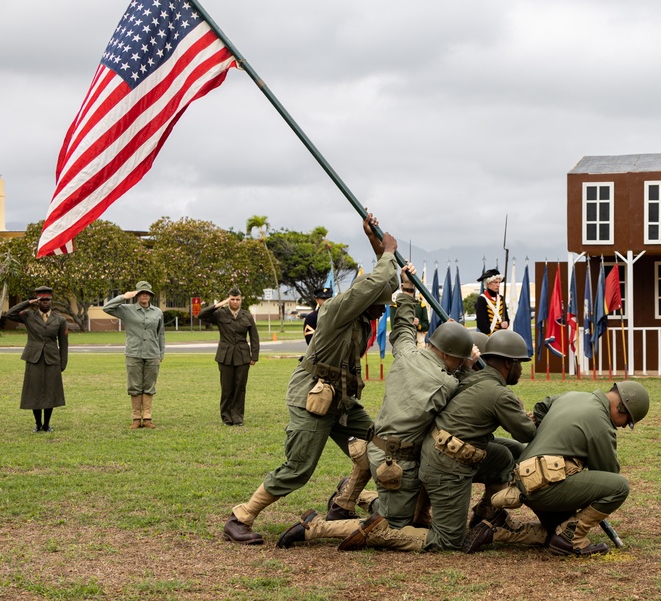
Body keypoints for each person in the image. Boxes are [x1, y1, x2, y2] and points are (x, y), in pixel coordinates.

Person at [223, 213, 399, 545]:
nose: (382, 310)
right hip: (312, 397)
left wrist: (376, 245)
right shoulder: (338, 310)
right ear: (365, 301)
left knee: (378, 443)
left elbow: (381, 284)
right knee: (299, 467)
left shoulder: (361, 319)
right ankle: (240, 517)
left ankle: (343, 503)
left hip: (342, 400)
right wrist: (388, 253)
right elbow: (374, 284)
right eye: (379, 306)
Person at [276, 294, 478, 548]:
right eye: (458, 360)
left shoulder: (406, 353)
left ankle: (357, 496)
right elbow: (468, 394)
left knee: (409, 515)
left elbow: (403, 328)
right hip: (397, 462)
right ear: (449, 357)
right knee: (393, 525)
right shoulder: (447, 382)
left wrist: (405, 297)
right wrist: (469, 367)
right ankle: (315, 527)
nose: (459, 364)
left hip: (379, 449)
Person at [337, 329, 536, 552]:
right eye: (519, 363)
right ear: (509, 364)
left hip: (430, 454)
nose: (521, 369)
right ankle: (324, 528)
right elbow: (526, 432)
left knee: (504, 455)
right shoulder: (472, 386)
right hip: (433, 462)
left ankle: (486, 513)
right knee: (440, 537)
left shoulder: (464, 380)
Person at [465, 380, 650, 556]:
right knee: (619, 487)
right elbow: (608, 476)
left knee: (555, 531)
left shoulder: (570, 396)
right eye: (628, 420)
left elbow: (541, 408)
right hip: (547, 487)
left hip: (525, 479)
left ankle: (499, 529)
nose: (624, 426)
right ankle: (572, 538)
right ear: (621, 407)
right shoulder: (602, 425)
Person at [2, 286, 68, 433]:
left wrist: (63, 363)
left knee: (51, 390)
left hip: (52, 358)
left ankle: (47, 424)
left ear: (51, 301)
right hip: (34, 358)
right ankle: (38, 424)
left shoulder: (60, 319)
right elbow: (10, 314)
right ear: (37, 302)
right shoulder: (28, 315)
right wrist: (27, 302)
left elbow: (64, 343)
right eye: (42, 300)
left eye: (47, 300)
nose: (45, 303)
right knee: (34, 391)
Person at [103, 281, 165, 429]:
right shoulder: (127, 310)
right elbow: (107, 308)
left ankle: (147, 418)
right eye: (141, 293)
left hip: (152, 353)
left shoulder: (157, 312)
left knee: (149, 385)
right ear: (136, 294)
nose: (144, 295)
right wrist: (123, 297)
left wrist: (161, 352)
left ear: (150, 295)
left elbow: (160, 333)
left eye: (147, 293)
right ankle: (136, 418)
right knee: (135, 385)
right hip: (134, 353)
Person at [197, 286, 260, 426]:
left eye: (238, 299)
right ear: (228, 300)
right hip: (225, 355)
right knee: (226, 388)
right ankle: (226, 416)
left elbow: (254, 337)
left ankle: (237, 417)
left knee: (240, 387)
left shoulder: (247, 316)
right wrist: (218, 305)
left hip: (243, 355)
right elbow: (201, 315)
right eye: (232, 299)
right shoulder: (220, 314)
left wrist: (254, 356)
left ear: (241, 300)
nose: (235, 302)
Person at [475, 268, 509, 335]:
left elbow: (506, 318)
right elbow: (481, 323)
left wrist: (506, 323)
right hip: (487, 337)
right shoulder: (482, 299)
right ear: (487, 284)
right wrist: (490, 335)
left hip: (501, 335)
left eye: (499, 282)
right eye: (495, 282)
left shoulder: (501, 298)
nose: (498, 285)